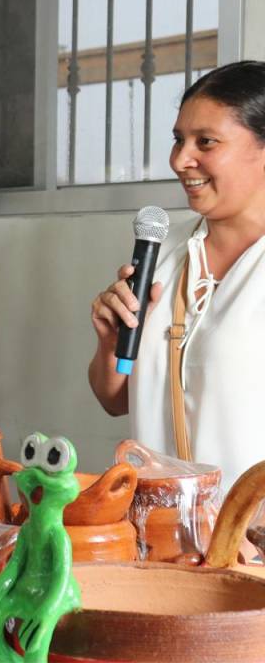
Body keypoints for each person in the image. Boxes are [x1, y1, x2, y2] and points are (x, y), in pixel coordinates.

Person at [89, 60, 265, 491]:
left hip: (250, 543)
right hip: (161, 534)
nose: (180, 160)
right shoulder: (164, 256)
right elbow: (116, 401)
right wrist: (111, 343)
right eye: (178, 140)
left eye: (206, 142)